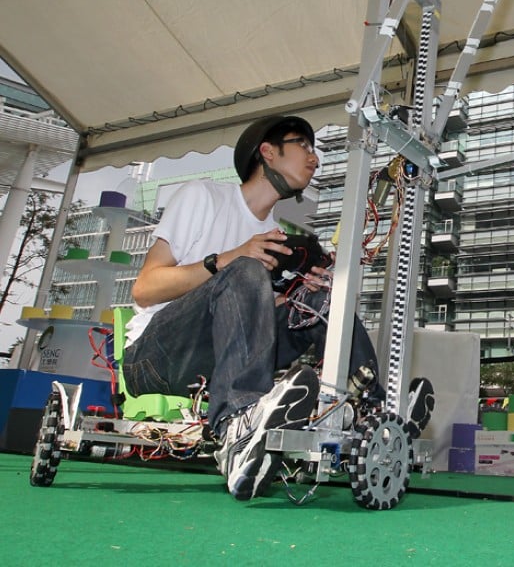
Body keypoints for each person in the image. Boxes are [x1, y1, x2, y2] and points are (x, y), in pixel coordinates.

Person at [122, 115, 382, 501]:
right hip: (155, 358)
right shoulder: (203, 197)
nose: (315, 160)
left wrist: (293, 296)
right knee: (244, 269)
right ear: (268, 152)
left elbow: (248, 318)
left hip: (219, 362)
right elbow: (144, 289)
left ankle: (372, 415)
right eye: (304, 146)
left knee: (316, 301)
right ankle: (236, 428)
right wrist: (226, 260)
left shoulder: (279, 240)